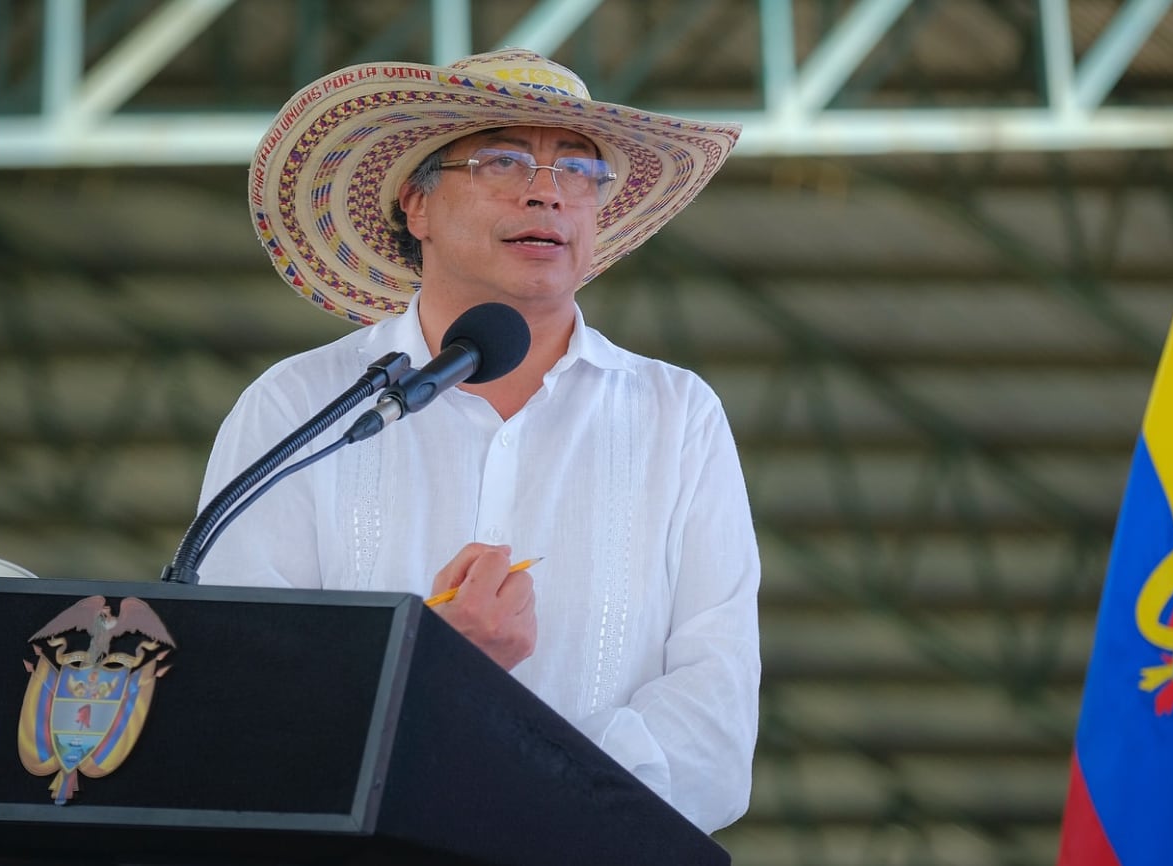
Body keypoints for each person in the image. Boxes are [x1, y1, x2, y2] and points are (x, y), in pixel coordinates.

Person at [196, 50, 759, 833]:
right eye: (502, 160)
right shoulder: (299, 410)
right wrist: (428, 671)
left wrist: (496, 773)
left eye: (578, 170)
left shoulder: (678, 417)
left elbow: (715, 730)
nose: (545, 191)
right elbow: (239, 696)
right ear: (414, 207)